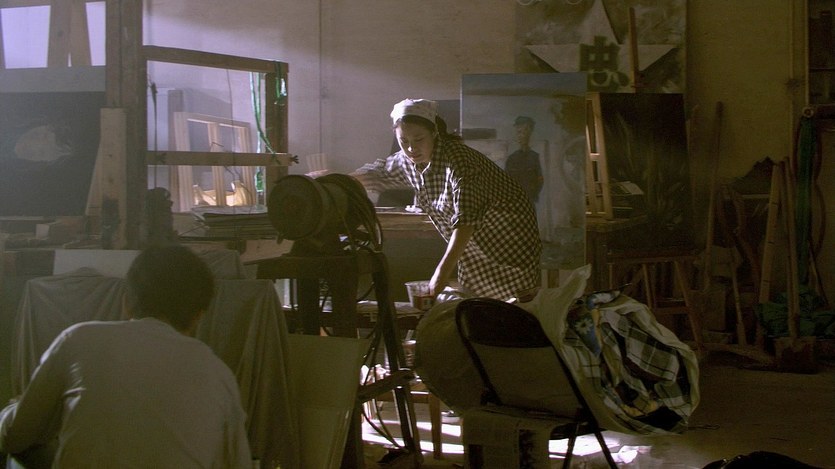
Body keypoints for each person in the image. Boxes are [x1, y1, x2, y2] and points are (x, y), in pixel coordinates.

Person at [0, 244, 252, 468]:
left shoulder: (79, 339)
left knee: (25, 450)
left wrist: (15, 408)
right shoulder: (219, 374)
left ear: (126, 302)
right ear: (199, 316)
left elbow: (14, 436)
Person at [354, 98, 542, 301]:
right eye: (404, 141)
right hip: (472, 254)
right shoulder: (407, 161)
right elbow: (376, 172)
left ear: (434, 132)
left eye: (419, 139)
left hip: (509, 243)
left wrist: (440, 274)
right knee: (479, 310)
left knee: (515, 311)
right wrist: (337, 181)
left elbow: (466, 221)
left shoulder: (459, 160)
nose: (411, 148)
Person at [504, 115, 544, 204]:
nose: (522, 135)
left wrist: (533, 195)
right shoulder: (511, 158)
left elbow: (540, 180)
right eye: (519, 132)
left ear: (530, 133)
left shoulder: (535, 157)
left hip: (530, 200)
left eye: (526, 131)